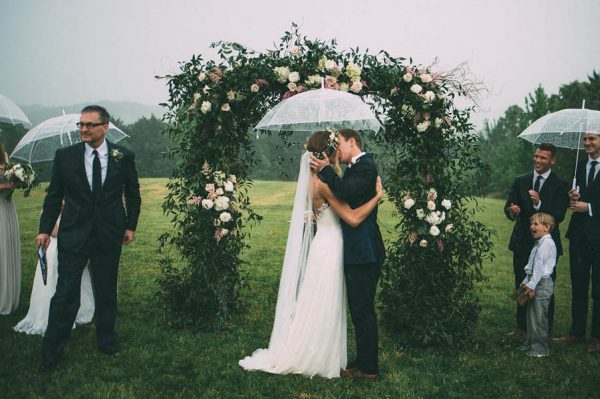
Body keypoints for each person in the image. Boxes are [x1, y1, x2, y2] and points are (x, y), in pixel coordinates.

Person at [239, 130, 383, 379]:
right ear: (327, 155)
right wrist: (379, 196)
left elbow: (329, 206)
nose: (338, 152)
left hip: (329, 246)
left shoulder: (317, 181)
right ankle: (340, 359)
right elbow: (350, 215)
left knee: (340, 304)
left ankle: (360, 363)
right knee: (340, 305)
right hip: (334, 247)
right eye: (334, 148)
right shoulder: (326, 183)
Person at [36, 105, 141, 370]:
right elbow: (53, 197)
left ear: (104, 127)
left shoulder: (123, 156)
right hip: (74, 234)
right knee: (65, 294)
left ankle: (106, 342)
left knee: (106, 291)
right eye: (81, 125)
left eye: (89, 125)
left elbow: (133, 194)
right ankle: (52, 352)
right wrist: (44, 230)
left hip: (108, 234)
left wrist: (130, 226)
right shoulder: (65, 157)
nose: (83, 129)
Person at [310, 129, 385, 380]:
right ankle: (362, 360)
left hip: (364, 251)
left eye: (339, 143)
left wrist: (326, 170)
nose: (337, 149)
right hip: (355, 250)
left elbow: (346, 193)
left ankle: (370, 369)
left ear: (352, 141)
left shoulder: (365, 166)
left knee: (363, 309)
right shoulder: (354, 168)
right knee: (358, 308)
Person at [503, 143, 569, 337]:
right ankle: (521, 327)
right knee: (521, 283)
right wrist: (512, 211)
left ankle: (543, 328)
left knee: (545, 284)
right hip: (522, 241)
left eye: (543, 158)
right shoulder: (520, 180)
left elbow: (559, 215)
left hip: (547, 245)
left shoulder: (560, 184)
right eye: (536, 156)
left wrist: (539, 203)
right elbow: (509, 207)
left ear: (552, 160)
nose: (538, 160)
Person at [14, 204, 95, 335]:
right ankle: (54, 314)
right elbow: (53, 231)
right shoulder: (50, 209)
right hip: (55, 248)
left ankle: (78, 312)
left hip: (75, 247)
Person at [553, 131, 600, 353]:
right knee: (579, 286)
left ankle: (597, 337)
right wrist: (572, 197)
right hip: (579, 237)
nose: (587, 143)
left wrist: (589, 208)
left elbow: (589, 203)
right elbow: (576, 197)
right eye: (585, 139)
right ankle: (576, 331)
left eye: (592, 139)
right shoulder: (579, 166)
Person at [518, 212, 557, 358]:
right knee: (532, 316)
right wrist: (526, 281)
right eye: (531, 224)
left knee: (539, 318)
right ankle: (531, 343)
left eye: (535, 224)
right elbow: (532, 264)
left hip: (542, 284)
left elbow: (540, 267)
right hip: (535, 282)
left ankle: (540, 349)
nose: (531, 227)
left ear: (547, 227)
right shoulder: (539, 242)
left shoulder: (546, 243)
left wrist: (531, 285)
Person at [0, 143, 21, 315]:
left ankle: (6, 293)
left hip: (5, 206)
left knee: (4, 248)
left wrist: (15, 183)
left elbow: (7, 179)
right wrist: (5, 186)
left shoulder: (4, 155)